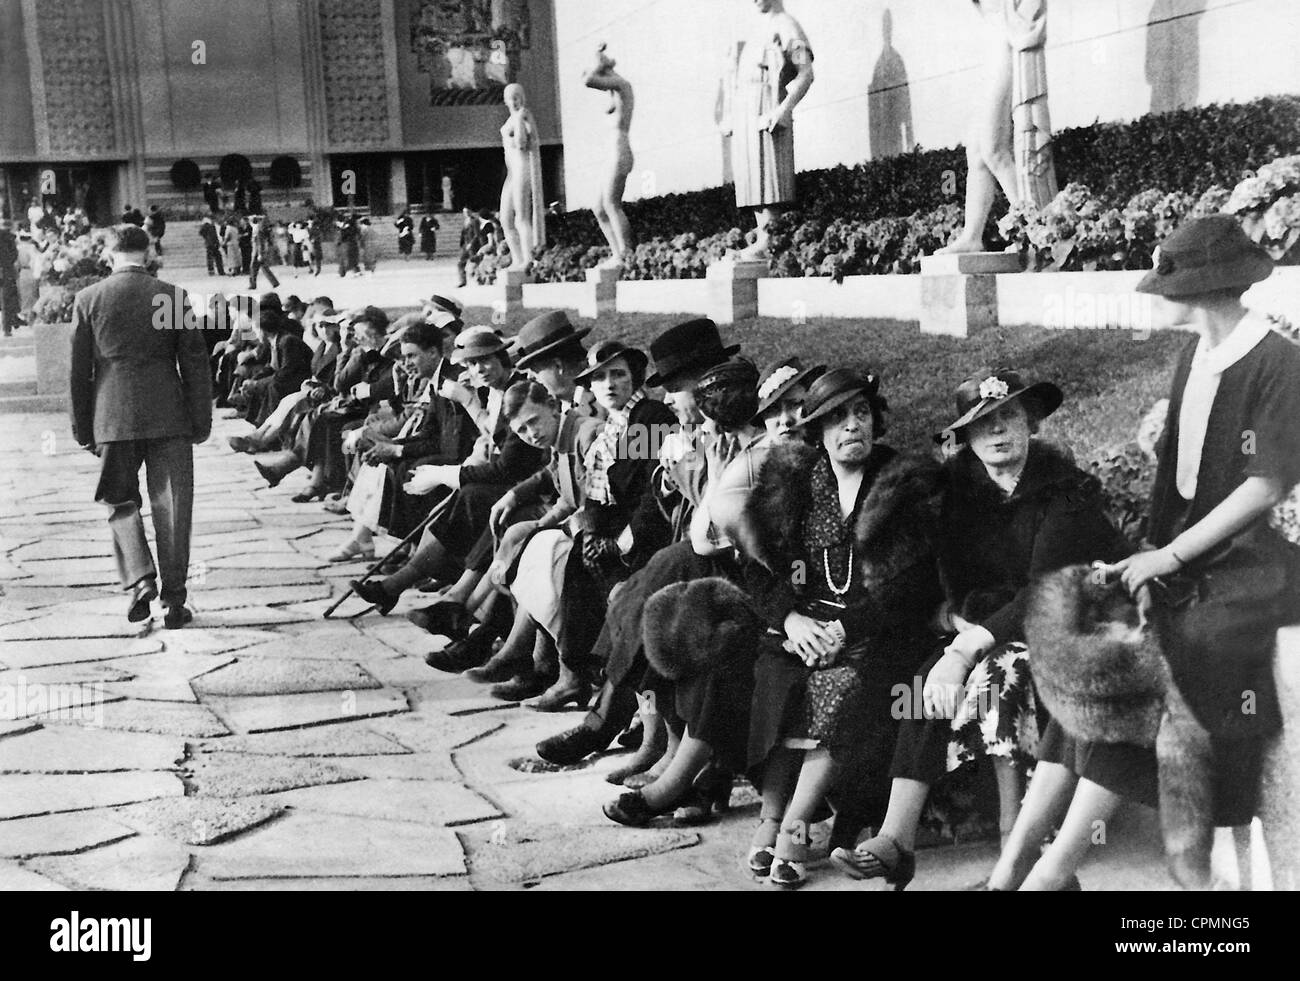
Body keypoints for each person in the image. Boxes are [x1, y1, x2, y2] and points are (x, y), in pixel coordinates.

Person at [829, 368, 1131, 888]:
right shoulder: (959, 495)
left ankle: (1019, 850)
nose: (997, 431)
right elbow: (937, 576)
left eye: (1009, 416)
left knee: (999, 678)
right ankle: (896, 839)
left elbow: (1045, 592)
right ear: (965, 436)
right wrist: (950, 620)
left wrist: (966, 647)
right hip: (997, 627)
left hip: (1080, 627)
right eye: (982, 422)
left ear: (1031, 423)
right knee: (926, 678)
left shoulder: (1063, 493)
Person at [1098, 215, 1300, 890]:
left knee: (1201, 652)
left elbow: (1265, 484)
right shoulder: (1194, 355)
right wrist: (1151, 557)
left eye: (1172, 280)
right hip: (1186, 558)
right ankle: (1043, 861)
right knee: (1114, 638)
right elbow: (1171, 476)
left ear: (1208, 288)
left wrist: (1174, 558)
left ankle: (1225, 861)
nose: (1160, 292)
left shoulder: (1277, 361)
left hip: (1250, 563)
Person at [69, 225, 211, 628]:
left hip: (112, 416)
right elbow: (195, 362)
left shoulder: (89, 299)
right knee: (173, 508)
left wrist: (83, 428)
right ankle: (175, 600)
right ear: (147, 253)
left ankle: (140, 579)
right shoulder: (170, 296)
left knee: (119, 502)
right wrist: (199, 420)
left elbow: (79, 372)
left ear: (109, 253)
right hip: (168, 414)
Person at [938, 0, 1058, 254]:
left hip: (1008, 44)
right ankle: (972, 236)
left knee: (994, 150)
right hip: (990, 45)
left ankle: (1033, 228)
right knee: (977, 151)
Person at [719, 0, 815, 261]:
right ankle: (763, 238)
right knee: (752, 180)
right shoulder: (756, 30)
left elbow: (806, 73)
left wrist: (784, 109)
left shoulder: (788, 26)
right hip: (747, 113)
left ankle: (769, 241)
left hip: (768, 108)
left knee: (769, 177)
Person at [582, 43, 635, 268]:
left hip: (620, 150)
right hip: (611, 151)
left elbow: (588, 80)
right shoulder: (615, 93)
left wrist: (598, 59)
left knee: (612, 204)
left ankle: (626, 253)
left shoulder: (623, 85)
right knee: (600, 208)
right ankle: (617, 253)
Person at [498, 82, 546, 271]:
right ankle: (518, 259)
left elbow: (521, 143)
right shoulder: (513, 118)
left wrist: (519, 120)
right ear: (505, 100)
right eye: (511, 97)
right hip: (512, 171)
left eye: (518, 96)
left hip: (522, 169)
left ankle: (528, 259)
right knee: (505, 219)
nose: (515, 101)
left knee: (522, 217)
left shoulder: (524, 116)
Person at [0, 220, 21, 336]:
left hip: (5, 271)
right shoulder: (6, 236)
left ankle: (7, 326)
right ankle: (9, 325)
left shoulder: (5, 236)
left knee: (7, 300)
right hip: (5, 270)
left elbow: (14, 253)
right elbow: (14, 253)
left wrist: (6, 264)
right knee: (7, 299)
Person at [457, 209, 484, 288]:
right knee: (461, 263)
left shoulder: (475, 221)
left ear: (471, 212)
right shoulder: (466, 221)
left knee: (476, 262)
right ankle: (462, 281)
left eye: (468, 212)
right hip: (465, 245)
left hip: (473, 246)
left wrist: (471, 243)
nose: (466, 213)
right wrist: (462, 244)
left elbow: (477, 234)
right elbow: (463, 233)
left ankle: (480, 279)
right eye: (464, 212)